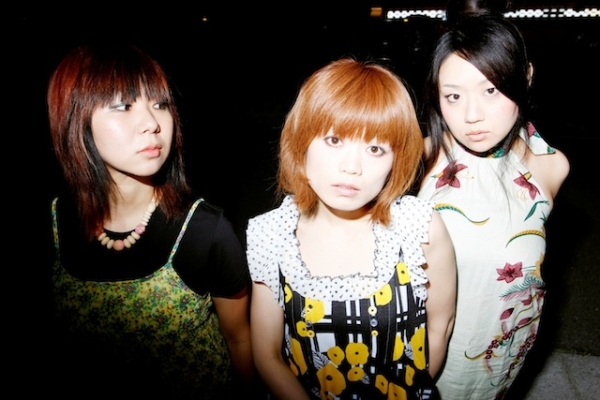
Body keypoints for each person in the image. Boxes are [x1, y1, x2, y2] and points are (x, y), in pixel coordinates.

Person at [45, 43, 255, 399]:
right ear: (75, 118)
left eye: (160, 104)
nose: (152, 124)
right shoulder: (53, 224)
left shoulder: (204, 231)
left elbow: (239, 338)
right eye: (123, 106)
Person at [247, 57, 457, 400]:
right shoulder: (272, 235)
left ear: (396, 160)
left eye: (375, 148)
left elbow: (439, 327)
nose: (351, 167)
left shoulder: (419, 226)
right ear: (302, 142)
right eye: (334, 140)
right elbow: (267, 355)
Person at [417, 16, 570, 399]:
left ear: (526, 77)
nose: (472, 115)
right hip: (424, 351)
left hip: (502, 354)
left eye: (491, 90)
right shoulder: (417, 160)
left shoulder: (551, 166)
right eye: (453, 96)